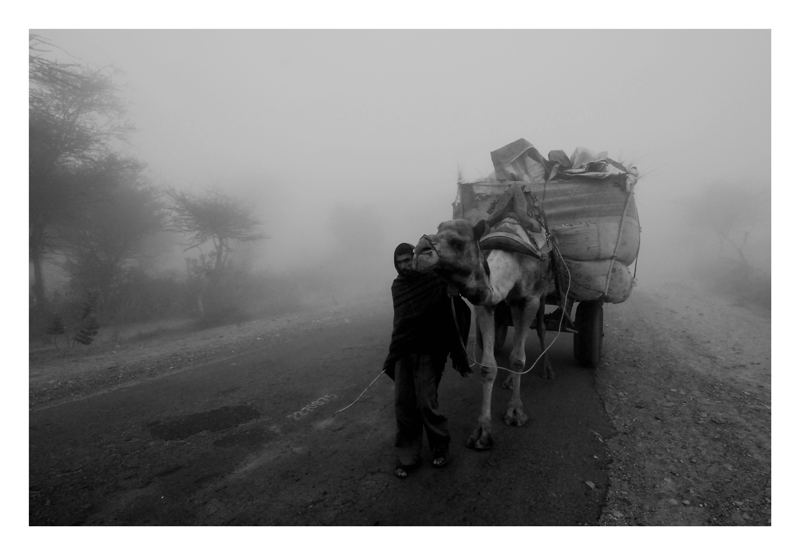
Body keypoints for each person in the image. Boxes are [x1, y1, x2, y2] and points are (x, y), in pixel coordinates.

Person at [383, 243, 471, 479]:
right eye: (399, 262)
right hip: (403, 351)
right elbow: (400, 323)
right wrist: (394, 352)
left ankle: (440, 448)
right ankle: (408, 456)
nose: (403, 266)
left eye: (407, 260)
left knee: (426, 403)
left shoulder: (434, 281)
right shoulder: (398, 286)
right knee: (403, 405)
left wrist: (452, 291)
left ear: (415, 259)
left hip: (428, 350)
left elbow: (454, 311)